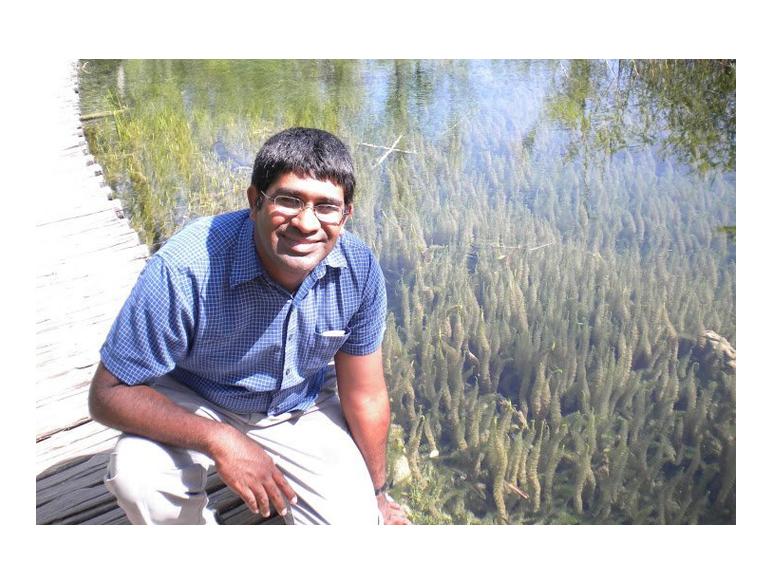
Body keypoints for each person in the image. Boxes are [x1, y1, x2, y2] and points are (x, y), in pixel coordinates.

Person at [89, 127, 410, 525]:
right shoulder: (185, 268)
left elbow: (366, 396)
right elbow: (108, 394)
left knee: (355, 526)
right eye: (289, 200)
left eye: (326, 207)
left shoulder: (358, 270)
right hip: (195, 395)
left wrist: (377, 493)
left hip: (297, 406)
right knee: (140, 481)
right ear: (255, 201)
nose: (307, 223)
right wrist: (221, 439)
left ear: (346, 215)